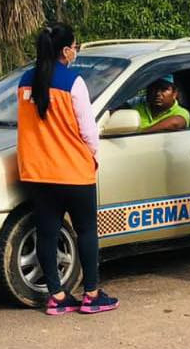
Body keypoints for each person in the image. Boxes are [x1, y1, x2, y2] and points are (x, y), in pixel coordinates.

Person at [16, 23, 119, 315]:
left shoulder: (25, 80)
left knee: (46, 234)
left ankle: (57, 297)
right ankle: (91, 294)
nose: (76, 51)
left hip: (38, 172)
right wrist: (94, 157)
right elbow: (88, 130)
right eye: (75, 46)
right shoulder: (73, 82)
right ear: (65, 50)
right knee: (86, 231)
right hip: (73, 171)